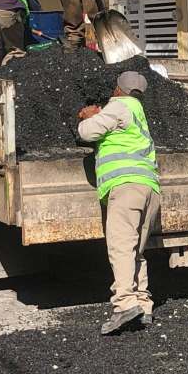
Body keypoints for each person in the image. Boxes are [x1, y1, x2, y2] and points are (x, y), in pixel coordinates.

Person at [77, 71, 161, 335]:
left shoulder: (119, 107)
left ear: (118, 89)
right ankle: (143, 303)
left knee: (121, 247)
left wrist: (89, 117)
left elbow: (87, 133)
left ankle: (124, 304)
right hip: (149, 188)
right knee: (135, 249)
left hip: (125, 187)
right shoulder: (139, 113)